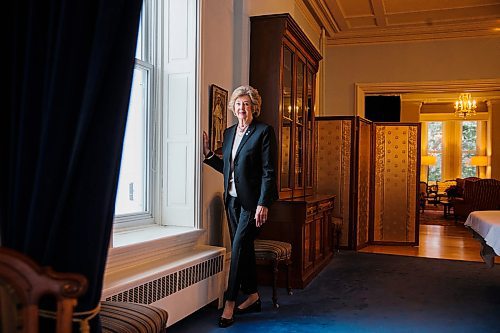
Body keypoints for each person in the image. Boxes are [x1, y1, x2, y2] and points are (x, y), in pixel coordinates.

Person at [203, 85, 278, 328]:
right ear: (233, 108)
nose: (242, 108)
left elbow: (269, 171)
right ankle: (254, 296)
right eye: (238, 104)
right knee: (243, 249)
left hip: (252, 203)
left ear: (254, 107)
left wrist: (263, 203)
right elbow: (229, 169)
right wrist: (208, 156)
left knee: (236, 249)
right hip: (232, 201)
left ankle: (230, 303)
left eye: (246, 104)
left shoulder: (264, 131)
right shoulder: (228, 133)